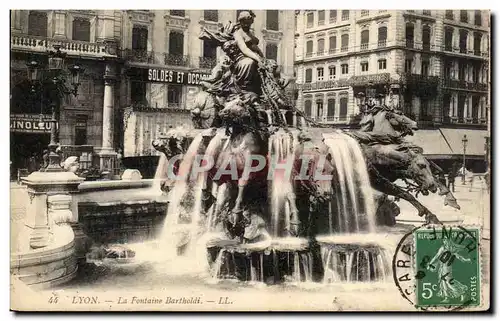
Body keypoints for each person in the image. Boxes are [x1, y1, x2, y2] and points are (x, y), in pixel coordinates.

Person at [231, 11, 265, 95]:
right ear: (240, 22)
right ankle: (245, 88)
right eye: (244, 23)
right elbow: (244, 49)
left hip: (254, 56)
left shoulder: (250, 33)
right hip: (241, 58)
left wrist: (262, 58)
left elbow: (255, 47)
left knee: (272, 65)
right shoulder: (237, 33)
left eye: (248, 23)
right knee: (250, 63)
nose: (246, 25)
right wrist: (258, 59)